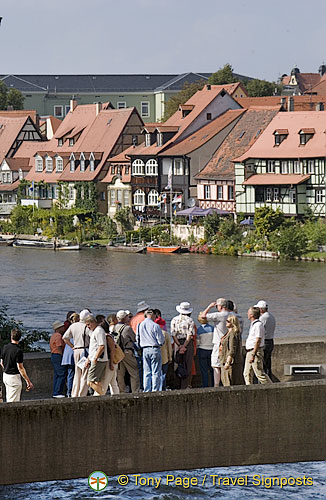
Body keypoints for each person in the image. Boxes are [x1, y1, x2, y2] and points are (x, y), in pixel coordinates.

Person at [200, 298, 229, 387]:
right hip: (228, 341)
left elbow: (203, 316)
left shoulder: (219, 315)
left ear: (220, 306)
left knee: (216, 365)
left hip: (218, 342)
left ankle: (216, 385)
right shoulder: (232, 314)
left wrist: (209, 306)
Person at [63, 309, 90, 397]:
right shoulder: (86, 326)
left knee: (77, 374)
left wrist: (72, 346)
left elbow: (65, 338)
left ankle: (74, 393)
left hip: (76, 350)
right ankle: (82, 393)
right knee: (84, 374)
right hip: (84, 350)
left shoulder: (73, 326)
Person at [0, 328, 33, 402]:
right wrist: (28, 381)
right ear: (19, 338)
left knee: (9, 398)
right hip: (14, 377)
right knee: (13, 402)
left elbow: (1, 362)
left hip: (6, 376)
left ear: (11, 336)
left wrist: (6, 370)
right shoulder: (18, 351)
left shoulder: (5, 347)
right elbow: (20, 367)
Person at [136, 309, 165, 392]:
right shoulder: (155, 325)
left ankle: (147, 389)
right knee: (156, 371)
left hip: (144, 349)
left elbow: (137, 338)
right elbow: (160, 340)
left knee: (146, 372)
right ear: (153, 316)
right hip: (154, 348)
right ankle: (155, 390)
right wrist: (161, 343)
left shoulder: (140, 325)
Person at [113, 310, 140, 393]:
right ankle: (135, 391)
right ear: (125, 318)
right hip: (127, 352)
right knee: (134, 373)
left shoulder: (115, 327)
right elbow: (134, 338)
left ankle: (121, 391)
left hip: (118, 352)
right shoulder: (127, 328)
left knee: (120, 373)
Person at [243, 307, 272, 385]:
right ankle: (249, 389)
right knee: (247, 373)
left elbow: (258, 340)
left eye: (248, 312)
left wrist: (253, 354)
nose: (247, 314)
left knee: (259, 374)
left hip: (254, 351)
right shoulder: (253, 325)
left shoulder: (258, 325)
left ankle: (271, 388)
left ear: (252, 315)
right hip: (250, 351)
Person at [171, 301, 196, 390]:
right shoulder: (190, 320)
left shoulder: (174, 319)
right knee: (187, 365)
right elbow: (190, 335)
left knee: (177, 364)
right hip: (188, 344)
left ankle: (177, 384)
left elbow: (173, 334)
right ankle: (185, 386)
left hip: (177, 343)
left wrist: (179, 345)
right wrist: (184, 346)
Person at [94, 316, 119, 396]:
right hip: (111, 362)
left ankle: (98, 396)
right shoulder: (108, 336)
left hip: (110, 361)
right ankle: (116, 396)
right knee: (113, 382)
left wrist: (111, 363)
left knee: (105, 381)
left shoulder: (107, 337)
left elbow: (112, 351)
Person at [84, 315, 108, 396]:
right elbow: (94, 347)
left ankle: (102, 394)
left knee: (90, 381)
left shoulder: (98, 331)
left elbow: (101, 346)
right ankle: (100, 395)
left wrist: (95, 358)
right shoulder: (96, 331)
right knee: (97, 381)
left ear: (93, 322)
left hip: (98, 360)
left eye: (88, 324)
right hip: (95, 359)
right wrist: (89, 358)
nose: (88, 327)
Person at [219, 315, 244, 386]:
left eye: (228, 321)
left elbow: (232, 349)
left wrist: (228, 362)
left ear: (233, 323)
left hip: (231, 363)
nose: (226, 322)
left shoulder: (233, 333)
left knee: (229, 383)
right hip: (224, 360)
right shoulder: (228, 333)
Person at [255, 300, 276, 378]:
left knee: (262, 364)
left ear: (261, 309)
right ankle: (269, 378)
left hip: (265, 342)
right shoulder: (271, 316)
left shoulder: (262, 318)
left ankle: (264, 381)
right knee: (268, 363)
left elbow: (260, 330)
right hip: (270, 341)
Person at [154, 309, 172, 390]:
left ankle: (155, 388)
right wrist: (170, 357)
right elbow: (169, 347)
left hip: (155, 355)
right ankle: (163, 388)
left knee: (155, 373)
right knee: (163, 374)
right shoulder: (166, 334)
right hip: (164, 357)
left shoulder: (153, 332)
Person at [50, 320, 67, 398]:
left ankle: (55, 391)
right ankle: (58, 392)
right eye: (62, 327)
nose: (63, 328)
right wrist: (63, 356)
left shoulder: (53, 335)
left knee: (57, 374)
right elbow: (59, 346)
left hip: (53, 355)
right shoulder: (58, 336)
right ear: (58, 328)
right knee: (62, 373)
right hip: (58, 355)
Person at [196, 315, 214, 387]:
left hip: (202, 349)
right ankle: (214, 384)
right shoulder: (213, 328)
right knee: (212, 369)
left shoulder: (199, 330)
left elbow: (197, 342)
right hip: (211, 350)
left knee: (204, 370)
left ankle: (205, 385)